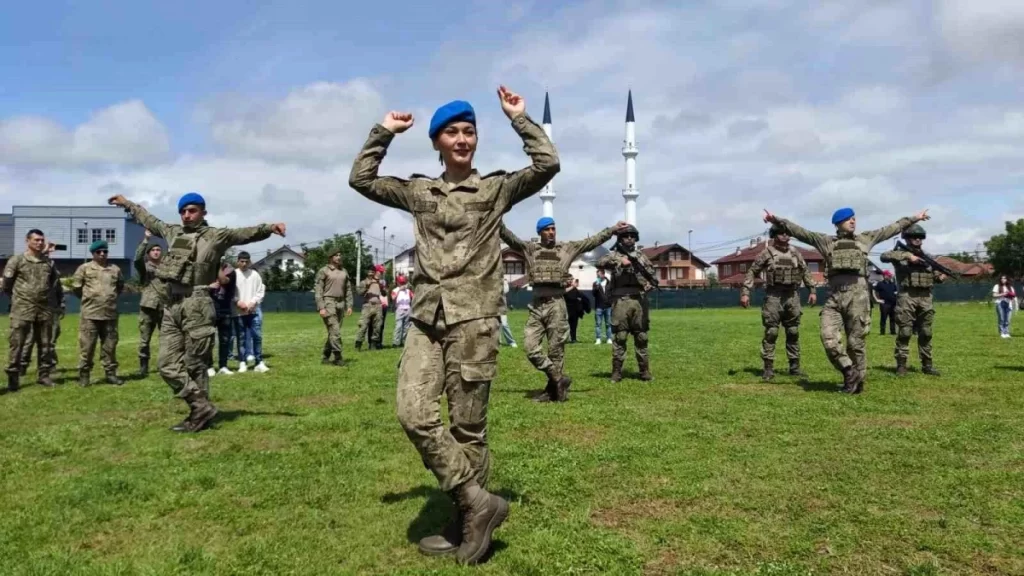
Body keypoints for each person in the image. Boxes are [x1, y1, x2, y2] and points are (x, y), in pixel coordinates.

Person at [348, 86, 558, 565]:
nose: (462, 139)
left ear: (476, 139)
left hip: (475, 321)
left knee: (468, 430)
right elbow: (361, 179)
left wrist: (519, 119)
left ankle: (465, 522)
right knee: (412, 412)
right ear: (437, 142)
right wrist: (383, 132)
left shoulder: (496, 188)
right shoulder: (419, 190)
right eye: (451, 133)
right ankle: (479, 502)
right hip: (426, 318)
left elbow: (547, 166)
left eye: (468, 132)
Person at [108, 192, 285, 433]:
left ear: (203, 212)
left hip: (198, 303)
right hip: (171, 305)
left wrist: (270, 227)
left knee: (196, 364)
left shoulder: (215, 236)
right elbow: (149, 220)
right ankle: (201, 405)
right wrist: (128, 204)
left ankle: (198, 414)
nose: (187, 215)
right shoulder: (173, 233)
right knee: (166, 364)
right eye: (183, 211)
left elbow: (244, 234)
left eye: (192, 210)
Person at [763, 206, 929, 394]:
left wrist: (915, 218)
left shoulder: (865, 239)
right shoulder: (826, 242)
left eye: (854, 219)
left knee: (855, 344)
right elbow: (800, 232)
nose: (853, 221)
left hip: (858, 298)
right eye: (848, 219)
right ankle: (849, 371)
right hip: (834, 298)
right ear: (837, 223)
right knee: (828, 338)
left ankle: (858, 382)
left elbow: (892, 227)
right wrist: (775, 220)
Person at [499, 218, 622, 402]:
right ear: (540, 232)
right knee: (530, 347)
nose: (551, 232)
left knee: (556, 351)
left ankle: (554, 392)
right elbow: (509, 237)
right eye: (547, 229)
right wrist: (495, 217)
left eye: (553, 229)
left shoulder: (566, 249)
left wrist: (611, 230)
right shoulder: (530, 249)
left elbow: (591, 242)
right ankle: (558, 378)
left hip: (556, 304)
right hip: (537, 306)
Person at [739, 223, 817, 381]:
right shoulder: (767, 253)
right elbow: (752, 271)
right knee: (771, 332)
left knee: (793, 331)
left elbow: (805, 271)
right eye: (782, 233)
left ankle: (794, 367)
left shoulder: (795, 253)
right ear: (774, 235)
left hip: (792, 296)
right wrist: (745, 292)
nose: (786, 236)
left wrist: (812, 290)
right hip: (773, 297)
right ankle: (768, 369)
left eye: (788, 233)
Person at [880, 224, 947, 376]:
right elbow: (884, 256)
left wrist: (940, 277)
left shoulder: (928, 257)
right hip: (907, 296)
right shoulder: (900, 254)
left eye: (920, 237)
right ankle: (901, 365)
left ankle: (927, 365)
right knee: (905, 331)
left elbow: (936, 275)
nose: (917, 239)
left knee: (926, 332)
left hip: (925, 297)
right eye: (914, 236)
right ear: (907, 239)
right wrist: (907, 256)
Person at [597, 224, 657, 383]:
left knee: (642, 336)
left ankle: (644, 371)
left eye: (632, 236)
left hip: (639, 300)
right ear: (620, 239)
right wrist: (619, 260)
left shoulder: (641, 256)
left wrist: (649, 284)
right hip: (621, 300)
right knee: (620, 337)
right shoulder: (614, 254)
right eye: (625, 236)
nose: (629, 239)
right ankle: (616, 372)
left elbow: (651, 273)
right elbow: (600, 262)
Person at [3, 230, 60, 391]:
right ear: (27, 241)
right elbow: (7, 284)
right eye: (36, 240)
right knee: (17, 344)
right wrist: (17, 298)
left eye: (42, 240)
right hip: (22, 308)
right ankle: (13, 378)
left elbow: (53, 284)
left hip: (44, 309)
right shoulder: (17, 260)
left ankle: (44, 375)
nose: (40, 243)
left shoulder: (48, 263)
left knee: (45, 344)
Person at [72, 240, 125, 386]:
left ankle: (111, 374)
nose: (102, 254)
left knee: (110, 346)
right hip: (90, 314)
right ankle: (84, 375)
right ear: (93, 253)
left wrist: (107, 298)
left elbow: (119, 287)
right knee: (87, 346)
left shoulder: (115, 269)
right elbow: (76, 288)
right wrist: (91, 298)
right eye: (99, 252)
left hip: (110, 314)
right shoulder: (84, 268)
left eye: (105, 251)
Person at [19, 242, 64, 377]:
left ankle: (50, 365)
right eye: (46, 250)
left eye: (49, 251)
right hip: (34, 307)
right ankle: (22, 365)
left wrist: (62, 304)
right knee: (30, 338)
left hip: (51, 307)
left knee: (50, 339)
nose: (48, 252)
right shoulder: (30, 264)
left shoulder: (51, 266)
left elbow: (58, 287)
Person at [314, 250, 354, 365]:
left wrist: (349, 305)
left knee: (333, 331)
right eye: (336, 255)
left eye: (340, 255)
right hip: (328, 302)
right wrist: (321, 307)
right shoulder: (324, 270)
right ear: (330, 257)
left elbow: (348, 290)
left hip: (341, 303)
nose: (339, 257)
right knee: (335, 330)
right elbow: (318, 290)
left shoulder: (344, 271)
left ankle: (326, 356)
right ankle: (338, 357)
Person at [134, 229, 166, 376]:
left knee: (166, 339)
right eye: (153, 250)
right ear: (148, 253)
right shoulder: (145, 268)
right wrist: (145, 240)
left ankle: (164, 365)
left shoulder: (167, 268)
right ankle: (143, 366)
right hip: (148, 307)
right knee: (144, 340)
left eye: (158, 249)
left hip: (165, 307)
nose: (156, 252)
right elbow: (137, 259)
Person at [234, 252, 268, 373]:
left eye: (246, 261)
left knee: (257, 337)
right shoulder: (234, 274)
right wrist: (238, 302)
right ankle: (242, 362)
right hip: (239, 312)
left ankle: (259, 362)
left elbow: (260, 290)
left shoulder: (255, 275)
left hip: (253, 311)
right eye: (242, 261)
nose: (244, 264)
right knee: (241, 338)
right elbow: (230, 292)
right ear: (237, 261)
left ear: (250, 261)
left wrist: (253, 302)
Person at [210, 262, 237, 376]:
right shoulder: (207, 269)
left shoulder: (231, 271)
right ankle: (209, 366)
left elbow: (223, 280)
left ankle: (223, 366)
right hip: (209, 308)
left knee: (225, 340)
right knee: (208, 340)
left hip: (225, 309)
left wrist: (218, 267)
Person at [355, 267, 385, 351]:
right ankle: (358, 344)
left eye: (373, 272)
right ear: (367, 273)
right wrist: (367, 287)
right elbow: (359, 293)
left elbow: (384, 294)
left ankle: (373, 344)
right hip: (367, 305)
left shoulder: (379, 282)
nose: (371, 273)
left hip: (378, 305)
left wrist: (381, 286)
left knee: (377, 326)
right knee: (363, 326)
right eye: (369, 272)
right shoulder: (363, 282)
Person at [564, 278, 590, 344]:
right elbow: (565, 295)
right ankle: (564, 339)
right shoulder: (565, 288)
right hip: (566, 310)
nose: (570, 281)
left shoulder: (575, 290)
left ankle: (573, 339)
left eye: (571, 280)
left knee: (574, 326)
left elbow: (583, 297)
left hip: (574, 311)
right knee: (565, 326)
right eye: (569, 279)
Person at [391, 275, 414, 347]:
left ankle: (404, 341)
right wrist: (399, 289)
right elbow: (393, 297)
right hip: (399, 309)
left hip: (407, 309)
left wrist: (410, 288)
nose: (403, 284)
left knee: (406, 327)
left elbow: (413, 297)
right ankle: (396, 342)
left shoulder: (408, 291)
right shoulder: (395, 290)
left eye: (404, 283)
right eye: (401, 283)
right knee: (398, 326)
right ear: (398, 283)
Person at [873, 270, 898, 335]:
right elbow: (873, 291)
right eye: (889, 275)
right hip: (884, 304)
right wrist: (877, 299)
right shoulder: (880, 284)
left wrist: (896, 294)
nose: (890, 277)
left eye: (890, 276)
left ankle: (893, 332)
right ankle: (882, 332)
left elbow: (896, 291)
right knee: (883, 318)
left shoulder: (893, 284)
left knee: (893, 318)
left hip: (893, 304)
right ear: (885, 276)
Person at [592, 268, 612, 344]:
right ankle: (598, 339)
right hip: (599, 307)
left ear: (603, 274)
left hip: (608, 306)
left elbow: (612, 293)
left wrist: (611, 302)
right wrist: (596, 286)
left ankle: (609, 338)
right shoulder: (595, 283)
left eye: (599, 275)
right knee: (598, 324)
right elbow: (593, 294)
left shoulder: (609, 283)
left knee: (608, 323)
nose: (597, 276)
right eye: (597, 275)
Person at [499, 277, 517, 348]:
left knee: (504, 324)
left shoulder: (504, 279)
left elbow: (506, 290)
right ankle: (498, 342)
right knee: (496, 325)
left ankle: (511, 342)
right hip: (491, 304)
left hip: (501, 305)